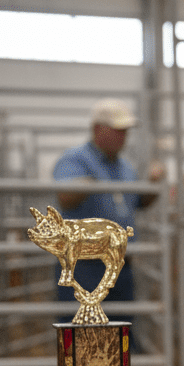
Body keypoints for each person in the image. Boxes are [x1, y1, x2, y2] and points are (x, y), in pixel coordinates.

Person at [52, 98, 163, 312]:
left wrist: (152, 185)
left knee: (120, 329)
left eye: (125, 131)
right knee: (84, 330)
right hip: (83, 264)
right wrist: (87, 183)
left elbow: (137, 203)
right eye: (117, 130)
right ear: (97, 129)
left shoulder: (125, 166)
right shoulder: (75, 160)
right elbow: (65, 196)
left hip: (119, 265)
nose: (123, 136)